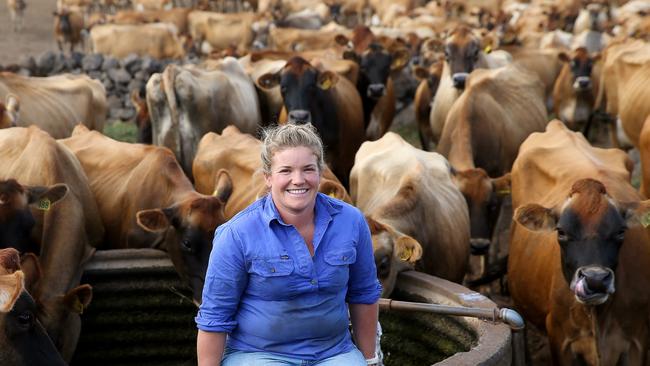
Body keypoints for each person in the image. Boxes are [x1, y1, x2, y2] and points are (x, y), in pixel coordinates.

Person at [196, 123, 382, 366]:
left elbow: (364, 294)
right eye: (285, 171)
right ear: (268, 177)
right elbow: (215, 317)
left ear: (320, 172)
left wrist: (370, 360)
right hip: (259, 355)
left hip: (334, 353)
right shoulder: (237, 234)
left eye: (308, 169)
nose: (298, 180)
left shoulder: (351, 222)